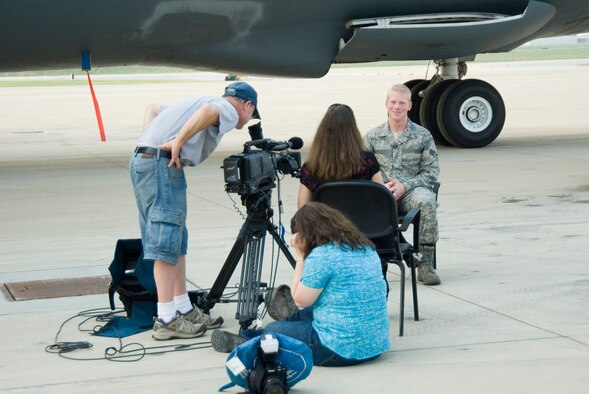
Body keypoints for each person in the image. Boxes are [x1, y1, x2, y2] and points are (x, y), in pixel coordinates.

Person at [129, 81, 261, 340]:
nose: (246, 120)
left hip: (151, 164)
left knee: (176, 240)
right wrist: (177, 142)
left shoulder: (198, 103)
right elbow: (210, 113)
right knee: (167, 241)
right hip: (162, 166)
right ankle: (167, 319)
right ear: (247, 105)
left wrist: (149, 140)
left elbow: (153, 108)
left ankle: (183, 308)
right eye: (251, 114)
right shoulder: (226, 108)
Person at [211, 202, 390, 366]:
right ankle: (257, 336)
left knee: (273, 328)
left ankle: (254, 340)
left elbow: (300, 300)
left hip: (337, 350)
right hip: (375, 346)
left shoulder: (322, 255)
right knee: (304, 315)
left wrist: (301, 256)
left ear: (307, 233)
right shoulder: (365, 247)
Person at [364, 83, 441, 285]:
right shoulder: (372, 137)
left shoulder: (423, 136)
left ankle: (425, 265)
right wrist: (381, 186)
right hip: (380, 193)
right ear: (386, 104)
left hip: (410, 192)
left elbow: (431, 173)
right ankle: (373, 264)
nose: (396, 106)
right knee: (360, 204)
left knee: (427, 200)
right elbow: (361, 170)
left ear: (409, 105)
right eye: (393, 102)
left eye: (401, 102)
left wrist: (405, 186)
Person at [296, 103, 384, 208]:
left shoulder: (311, 168)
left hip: (326, 223)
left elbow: (303, 208)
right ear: (353, 131)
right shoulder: (368, 161)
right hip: (363, 223)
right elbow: (382, 200)